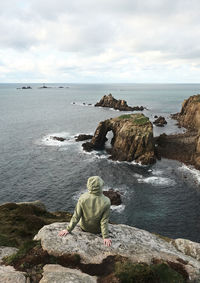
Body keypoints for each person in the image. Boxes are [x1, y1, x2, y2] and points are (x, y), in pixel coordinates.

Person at [58, 176, 112, 247]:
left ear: (88, 186)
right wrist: (106, 237)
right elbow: (104, 221)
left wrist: (68, 229)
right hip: (97, 230)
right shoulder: (106, 201)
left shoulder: (82, 197)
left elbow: (76, 216)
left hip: (84, 227)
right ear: (101, 186)